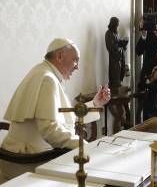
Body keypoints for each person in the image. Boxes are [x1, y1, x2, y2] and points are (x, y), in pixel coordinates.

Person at [0, 38, 111, 179]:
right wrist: (85, 146)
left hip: (24, 155)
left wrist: (95, 104)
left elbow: (61, 117)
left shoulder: (42, 71)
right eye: (75, 60)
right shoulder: (47, 79)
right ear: (59, 56)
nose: (77, 67)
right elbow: (50, 129)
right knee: (92, 173)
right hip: (26, 161)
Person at [105, 17, 128, 88]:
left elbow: (117, 43)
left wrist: (123, 44)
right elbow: (110, 47)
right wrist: (119, 45)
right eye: (116, 25)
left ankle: (119, 83)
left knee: (121, 72)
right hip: (114, 59)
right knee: (115, 75)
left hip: (120, 57)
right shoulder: (108, 33)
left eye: (118, 25)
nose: (117, 26)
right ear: (112, 24)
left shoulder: (116, 33)